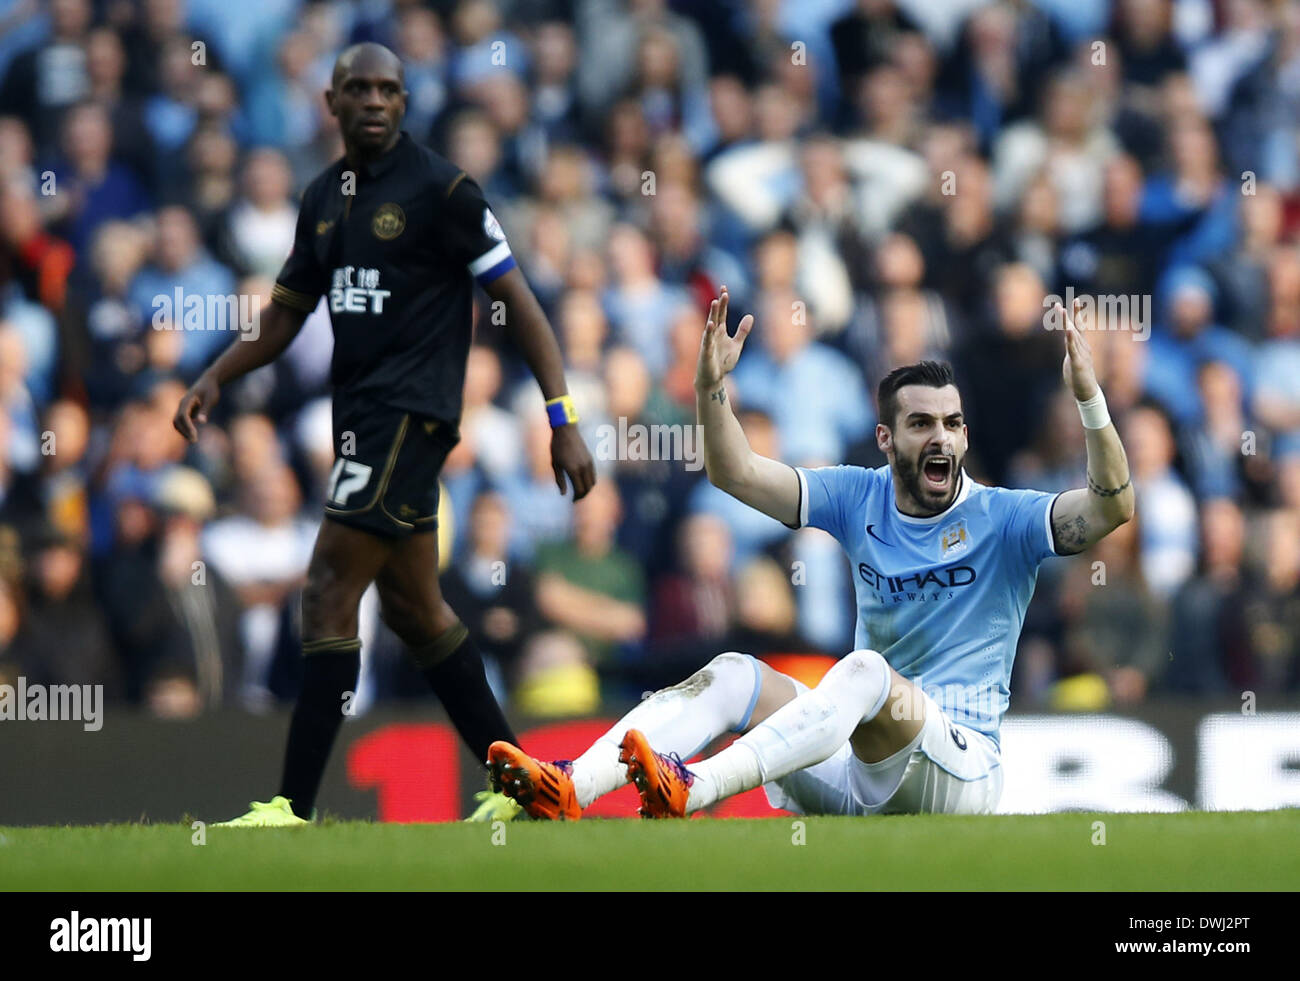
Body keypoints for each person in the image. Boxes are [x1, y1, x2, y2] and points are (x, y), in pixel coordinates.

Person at [487, 289, 1133, 819]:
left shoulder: (1004, 516)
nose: (941, 436)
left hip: (960, 771)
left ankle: (693, 786)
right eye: (921, 423)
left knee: (863, 671)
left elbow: (1112, 506)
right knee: (735, 672)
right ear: (886, 437)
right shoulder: (857, 495)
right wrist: (710, 389)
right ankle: (571, 785)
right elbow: (734, 472)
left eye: (952, 422)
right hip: (859, 771)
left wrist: (1089, 399)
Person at [173, 43, 594, 827]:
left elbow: (524, 303)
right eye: (358, 89)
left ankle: (290, 809)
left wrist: (561, 416)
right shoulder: (323, 198)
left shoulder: (445, 192)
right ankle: (531, 792)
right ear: (330, 103)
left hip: (413, 417)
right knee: (415, 610)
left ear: (405, 102)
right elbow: (284, 316)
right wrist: (215, 375)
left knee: (328, 589)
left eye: (389, 89)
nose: (373, 101)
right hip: (360, 419)